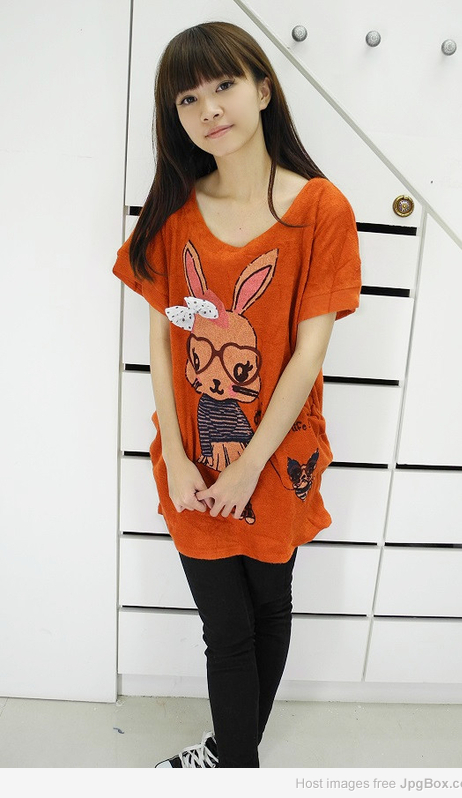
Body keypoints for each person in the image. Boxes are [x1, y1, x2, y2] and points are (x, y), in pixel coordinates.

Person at [112, 20, 362, 768]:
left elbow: (309, 354)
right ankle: (237, 765)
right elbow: (162, 343)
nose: (208, 109)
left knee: (268, 606)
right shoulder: (171, 213)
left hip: (277, 458)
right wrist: (178, 457)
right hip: (192, 458)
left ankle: (229, 757)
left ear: (263, 90)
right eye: (187, 98)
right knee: (225, 627)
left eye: (223, 85)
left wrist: (250, 465)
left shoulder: (320, 209)